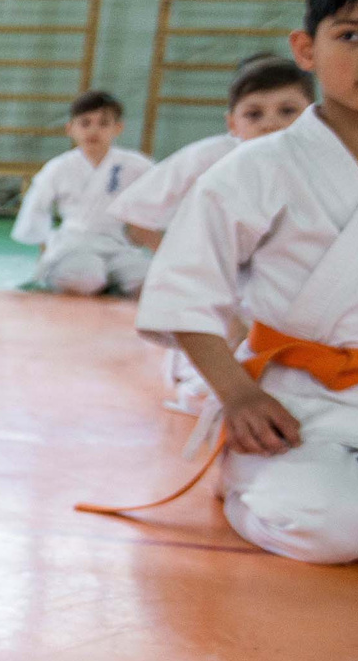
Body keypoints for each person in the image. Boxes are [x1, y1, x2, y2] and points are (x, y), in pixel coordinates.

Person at [135, 0, 358, 565]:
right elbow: (184, 291)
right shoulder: (254, 169)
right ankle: (246, 487)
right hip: (293, 403)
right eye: (352, 35)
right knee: (328, 525)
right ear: (306, 49)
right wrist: (237, 396)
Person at [113, 57, 314, 411]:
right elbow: (137, 219)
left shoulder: (329, 164)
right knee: (213, 395)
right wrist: (191, 266)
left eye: (288, 111)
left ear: (315, 115)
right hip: (219, 303)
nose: (272, 124)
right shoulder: (209, 157)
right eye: (255, 115)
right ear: (232, 124)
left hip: (293, 308)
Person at [13, 89, 154, 296]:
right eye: (85, 123)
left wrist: (147, 235)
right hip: (73, 244)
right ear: (70, 128)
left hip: (117, 244)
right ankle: (89, 281)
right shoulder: (58, 167)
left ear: (118, 128)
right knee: (86, 280)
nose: (94, 130)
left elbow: (160, 198)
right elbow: (36, 210)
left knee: (150, 282)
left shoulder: (137, 165)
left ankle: (112, 282)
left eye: (104, 123)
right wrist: (45, 255)